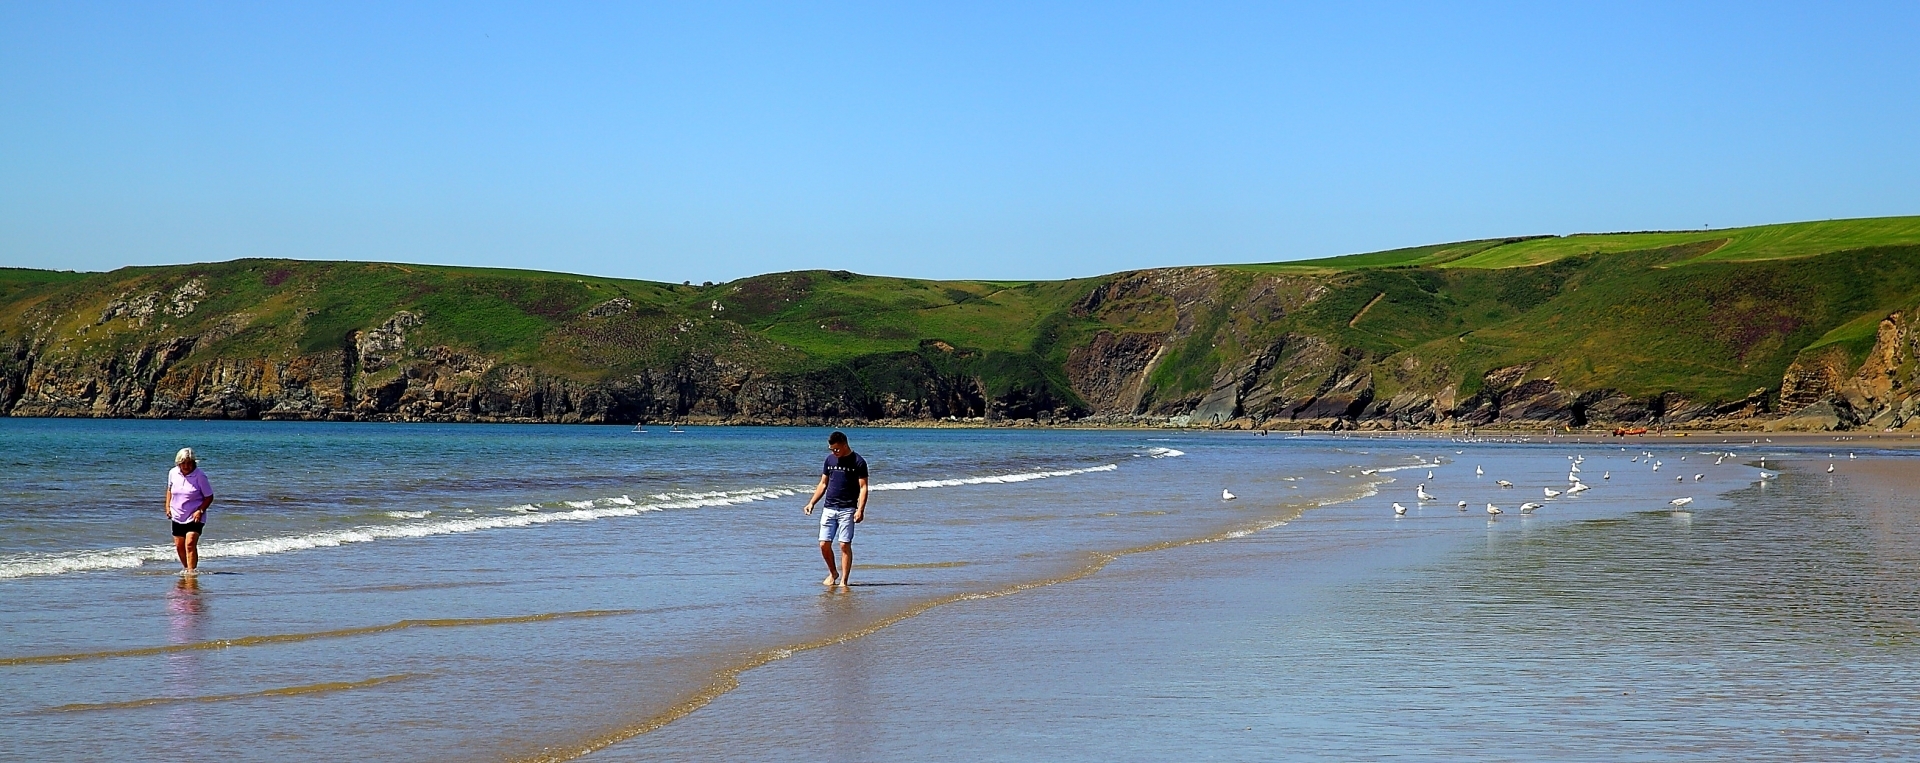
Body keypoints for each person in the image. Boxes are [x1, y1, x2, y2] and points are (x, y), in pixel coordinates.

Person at [802, 431, 868, 588]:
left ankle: (844, 581)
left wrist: (860, 509)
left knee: (844, 545)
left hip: (848, 509)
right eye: (831, 449)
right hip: (829, 508)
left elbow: (864, 487)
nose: (834, 452)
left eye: (836, 449)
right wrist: (812, 502)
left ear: (845, 445)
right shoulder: (829, 460)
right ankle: (833, 573)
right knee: (823, 544)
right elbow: (823, 483)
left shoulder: (858, 462)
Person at [166, 447, 214, 574]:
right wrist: (167, 507)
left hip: (195, 515)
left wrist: (200, 510)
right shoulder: (173, 473)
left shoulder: (200, 476)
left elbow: (209, 496)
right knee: (179, 546)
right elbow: (169, 490)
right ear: (178, 463)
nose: (186, 466)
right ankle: (187, 568)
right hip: (177, 514)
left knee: (190, 543)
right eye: (183, 463)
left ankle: (191, 573)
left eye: (189, 463)